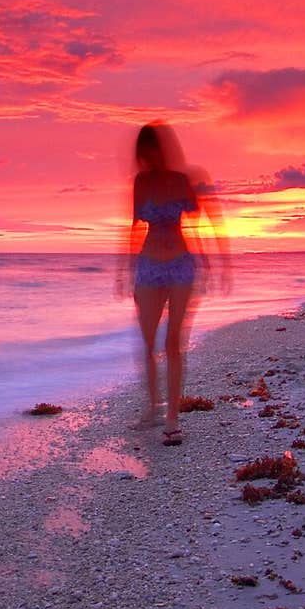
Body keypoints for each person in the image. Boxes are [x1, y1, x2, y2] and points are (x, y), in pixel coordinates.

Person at [118, 122, 231, 445]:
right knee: (148, 342)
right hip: (149, 266)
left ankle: (172, 418)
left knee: (173, 343)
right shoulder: (140, 182)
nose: (147, 157)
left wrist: (222, 263)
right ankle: (153, 407)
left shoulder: (183, 180)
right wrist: (125, 270)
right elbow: (134, 227)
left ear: (163, 149)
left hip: (181, 264)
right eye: (142, 152)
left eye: (152, 149)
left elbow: (211, 219)